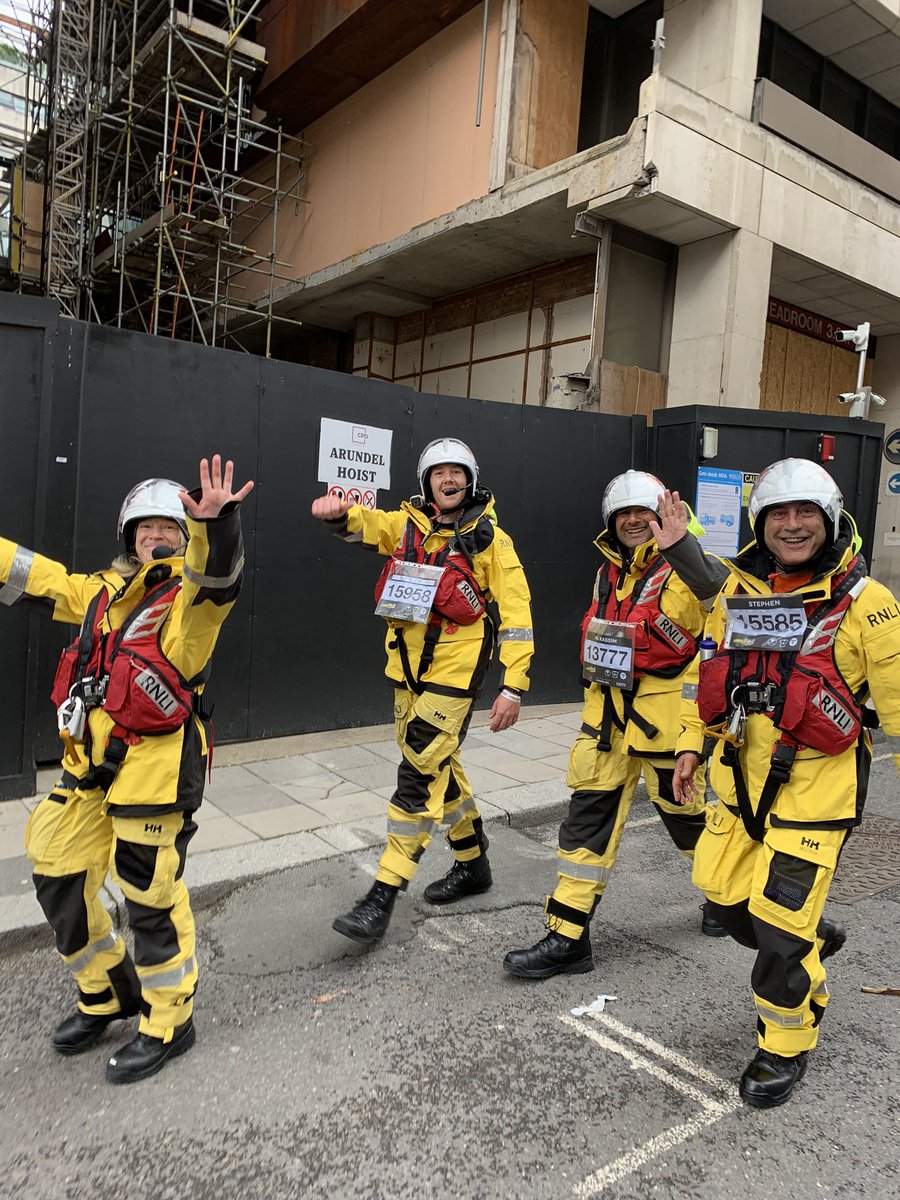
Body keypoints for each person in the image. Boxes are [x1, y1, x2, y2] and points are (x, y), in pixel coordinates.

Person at [1, 456, 253, 1084]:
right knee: (55, 867)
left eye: (170, 526)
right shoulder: (100, 594)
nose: (155, 536)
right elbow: (40, 579)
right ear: (127, 535)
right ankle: (108, 990)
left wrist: (216, 526)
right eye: (144, 528)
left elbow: (217, 577)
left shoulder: (187, 603)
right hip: (88, 767)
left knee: (149, 894)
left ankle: (170, 1019)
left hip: (155, 771)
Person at [672, 458, 900, 1108]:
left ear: (827, 520)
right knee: (724, 904)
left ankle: (786, 1041)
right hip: (740, 789)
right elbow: (706, 675)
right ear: (760, 524)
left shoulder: (868, 605)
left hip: (815, 796)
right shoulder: (740, 593)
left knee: (775, 930)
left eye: (805, 513)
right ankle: (809, 941)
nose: (792, 525)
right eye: (779, 514)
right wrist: (691, 747)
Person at [312, 437, 534, 945]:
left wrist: (514, 686)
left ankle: (382, 894)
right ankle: (473, 864)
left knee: (416, 772)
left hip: (456, 669)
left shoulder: (491, 540)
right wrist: (339, 516)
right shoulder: (406, 525)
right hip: (407, 667)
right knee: (437, 764)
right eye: (439, 474)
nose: (448, 480)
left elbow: (518, 616)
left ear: (470, 480)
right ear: (426, 483)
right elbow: (366, 526)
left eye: (457, 473)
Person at [503, 470, 721, 982]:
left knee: (689, 825)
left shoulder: (691, 568)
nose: (633, 522)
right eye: (622, 515)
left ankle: (723, 897)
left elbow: (720, 607)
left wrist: (682, 549)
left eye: (642, 512)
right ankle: (567, 939)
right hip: (604, 728)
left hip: (668, 732)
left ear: (661, 514)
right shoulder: (608, 573)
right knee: (583, 831)